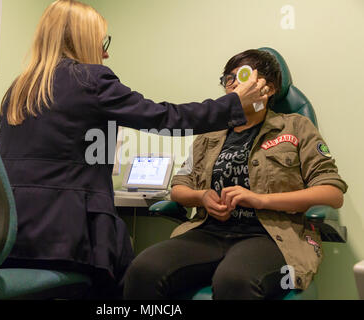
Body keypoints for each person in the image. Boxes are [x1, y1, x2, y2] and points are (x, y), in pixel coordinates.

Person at [0, 1, 268, 299]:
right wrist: (233, 103)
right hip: (66, 236)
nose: (106, 52)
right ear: (82, 39)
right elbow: (168, 119)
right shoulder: (91, 80)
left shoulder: (19, 89)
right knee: (130, 271)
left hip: (13, 233)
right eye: (102, 42)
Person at [123, 49, 348, 300]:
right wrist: (202, 197)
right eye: (227, 80)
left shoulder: (296, 126)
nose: (232, 87)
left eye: (241, 77)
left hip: (271, 235)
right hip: (208, 232)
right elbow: (178, 187)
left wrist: (261, 200)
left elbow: (332, 192)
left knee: (234, 280)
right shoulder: (210, 134)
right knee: (142, 271)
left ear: (268, 88)